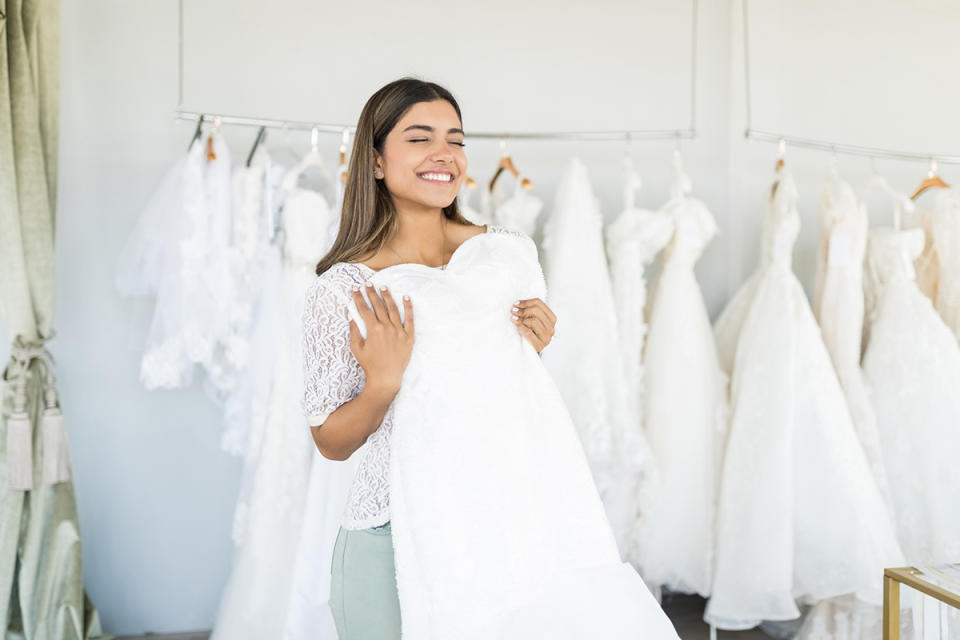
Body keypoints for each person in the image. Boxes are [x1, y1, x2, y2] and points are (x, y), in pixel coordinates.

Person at [303, 78, 677, 640]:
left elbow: (507, 391)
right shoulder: (345, 287)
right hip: (390, 538)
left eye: (455, 139)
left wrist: (533, 347)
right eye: (419, 137)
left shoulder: (507, 254)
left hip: (506, 521)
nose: (444, 154)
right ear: (376, 161)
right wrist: (380, 386)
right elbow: (329, 441)